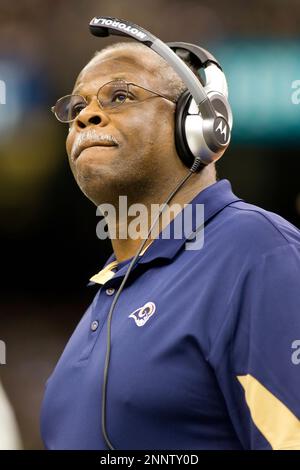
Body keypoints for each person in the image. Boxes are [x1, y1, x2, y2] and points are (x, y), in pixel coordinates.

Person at [41, 40, 300, 450]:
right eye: (76, 109)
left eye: (120, 96)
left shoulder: (258, 252)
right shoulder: (110, 290)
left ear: (200, 126)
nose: (86, 117)